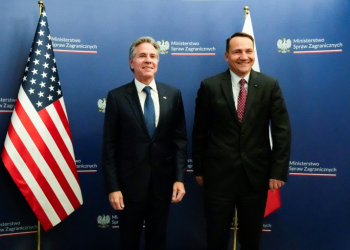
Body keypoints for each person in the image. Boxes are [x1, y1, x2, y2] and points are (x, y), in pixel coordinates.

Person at [192, 32, 291, 250]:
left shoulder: (269, 85)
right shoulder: (209, 86)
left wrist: (278, 171)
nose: (243, 56)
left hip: (255, 177)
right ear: (227, 56)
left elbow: (282, 131)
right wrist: (199, 168)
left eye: (248, 51)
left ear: (254, 54)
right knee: (216, 236)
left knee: (251, 239)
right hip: (218, 177)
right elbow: (199, 131)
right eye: (237, 51)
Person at [102, 36, 188, 250]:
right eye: (142, 56)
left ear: (158, 62)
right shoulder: (117, 97)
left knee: (157, 241)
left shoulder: (173, 94)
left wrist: (179, 178)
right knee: (129, 241)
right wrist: (113, 187)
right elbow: (109, 146)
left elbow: (179, 141)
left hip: (162, 185)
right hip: (128, 187)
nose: (148, 60)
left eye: (153, 56)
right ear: (132, 63)